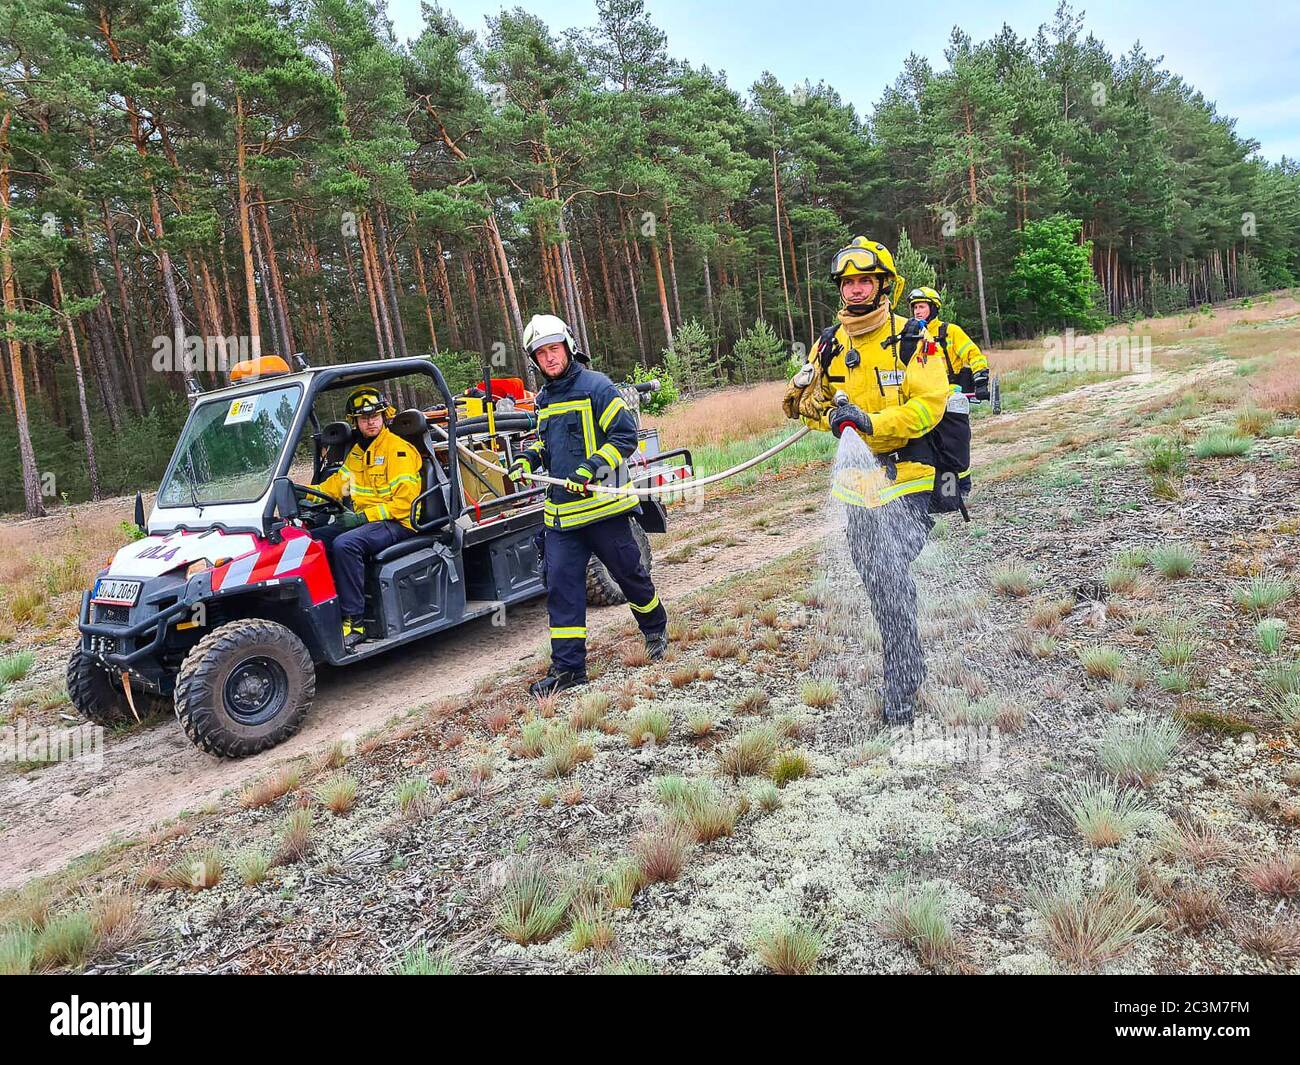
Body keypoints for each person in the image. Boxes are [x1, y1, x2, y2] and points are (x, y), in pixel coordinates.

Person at [783, 238, 950, 726]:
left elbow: (928, 407)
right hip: (859, 487)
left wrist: (873, 423)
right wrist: (823, 413)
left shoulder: (915, 339)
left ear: (884, 285)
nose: (855, 291)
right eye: (848, 282)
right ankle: (909, 660)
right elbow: (807, 405)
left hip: (911, 479)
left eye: (865, 281)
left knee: (888, 570)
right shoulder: (831, 343)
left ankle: (900, 678)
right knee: (876, 579)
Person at [508, 314, 668, 697]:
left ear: (568, 346)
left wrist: (592, 467)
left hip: (605, 512)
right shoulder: (544, 399)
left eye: (553, 349)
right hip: (562, 519)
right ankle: (569, 669)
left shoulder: (597, 387)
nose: (549, 358)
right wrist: (528, 460)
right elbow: (547, 444)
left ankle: (655, 630)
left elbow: (624, 435)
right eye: (540, 353)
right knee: (562, 591)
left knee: (630, 576)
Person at [308, 386, 420, 649]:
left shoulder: (398, 450)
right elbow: (338, 485)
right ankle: (327, 608)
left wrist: (361, 519)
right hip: (371, 521)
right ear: (355, 422)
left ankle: (355, 622)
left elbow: (405, 504)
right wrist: (304, 495)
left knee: (345, 545)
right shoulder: (358, 452)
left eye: (375, 416)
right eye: (363, 418)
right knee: (314, 539)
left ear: (383, 417)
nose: (370, 421)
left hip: (399, 522)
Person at [907, 286, 989, 400]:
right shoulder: (910, 336)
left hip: (951, 392)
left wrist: (981, 380)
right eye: (915, 307)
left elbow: (973, 355)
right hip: (922, 394)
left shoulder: (950, 331)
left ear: (933, 308)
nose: (917, 311)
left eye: (921, 307)